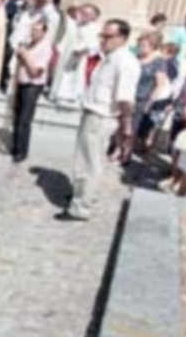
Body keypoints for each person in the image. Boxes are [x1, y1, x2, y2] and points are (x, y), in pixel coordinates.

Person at [57, 19, 141, 221]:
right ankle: (80, 194)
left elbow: (125, 98)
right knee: (81, 159)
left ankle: (82, 206)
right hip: (91, 112)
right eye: (102, 35)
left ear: (121, 38)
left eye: (107, 36)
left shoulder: (126, 62)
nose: (102, 40)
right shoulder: (109, 57)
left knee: (91, 163)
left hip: (102, 116)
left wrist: (126, 125)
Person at [11, 20, 53, 163]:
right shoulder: (28, 44)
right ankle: (15, 146)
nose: (33, 33)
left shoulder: (46, 48)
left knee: (24, 119)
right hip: (22, 82)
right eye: (32, 30)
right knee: (17, 116)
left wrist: (25, 55)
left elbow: (36, 71)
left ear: (43, 32)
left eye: (37, 30)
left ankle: (21, 151)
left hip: (33, 85)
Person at [51, 4, 103, 107]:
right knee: (64, 75)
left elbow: (98, 43)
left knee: (79, 77)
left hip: (84, 57)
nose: (84, 15)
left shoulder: (97, 28)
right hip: (68, 56)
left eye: (88, 14)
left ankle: (75, 96)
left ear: (94, 16)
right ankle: (59, 94)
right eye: (83, 12)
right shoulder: (73, 25)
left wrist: (85, 49)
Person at [132, 31, 170, 155]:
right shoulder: (137, 57)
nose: (140, 48)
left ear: (152, 45)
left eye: (144, 45)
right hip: (129, 95)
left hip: (142, 98)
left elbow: (160, 84)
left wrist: (149, 102)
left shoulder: (158, 61)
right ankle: (117, 148)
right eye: (139, 45)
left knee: (133, 127)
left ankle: (126, 152)